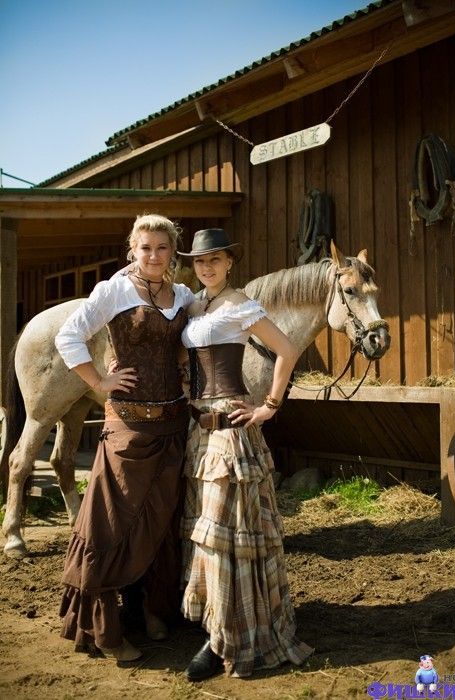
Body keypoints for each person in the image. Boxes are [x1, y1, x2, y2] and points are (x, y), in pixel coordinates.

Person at [55, 214, 195, 662]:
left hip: (173, 424)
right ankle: (105, 628)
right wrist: (98, 382)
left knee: (159, 520)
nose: (153, 255)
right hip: (129, 426)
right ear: (132, 249)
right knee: (112, 521)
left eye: (162, 248)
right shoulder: (112, 290)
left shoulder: (185, 295)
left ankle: (151, 611)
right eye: (145, 247)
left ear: (173, 252)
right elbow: (69, 334)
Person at [178, 228, 312, 680]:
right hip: (198, 430)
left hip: (232, 430)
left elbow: (287, 349)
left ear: (230, 262)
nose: (207, 267)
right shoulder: (195, 304)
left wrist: (269, 406)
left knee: (228, 535)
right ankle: (217, 623)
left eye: (214, 259)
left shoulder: (240, 305)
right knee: (208, 533)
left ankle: (225, 640)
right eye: (199, 261)